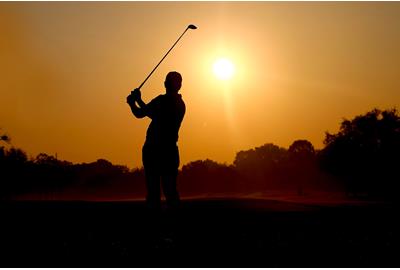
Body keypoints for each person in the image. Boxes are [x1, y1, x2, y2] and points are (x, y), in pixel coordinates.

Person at [127, 71, 186, 212]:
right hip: (167, 151)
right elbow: (143, 113)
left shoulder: (168, 101)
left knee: (160, 190)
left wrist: (135, 101)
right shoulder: (178, 103)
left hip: (156, 150)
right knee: (166, 190)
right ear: (180, 85)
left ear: (166, 84)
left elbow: (147, 112)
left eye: (167, 81)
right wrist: (133, 103)